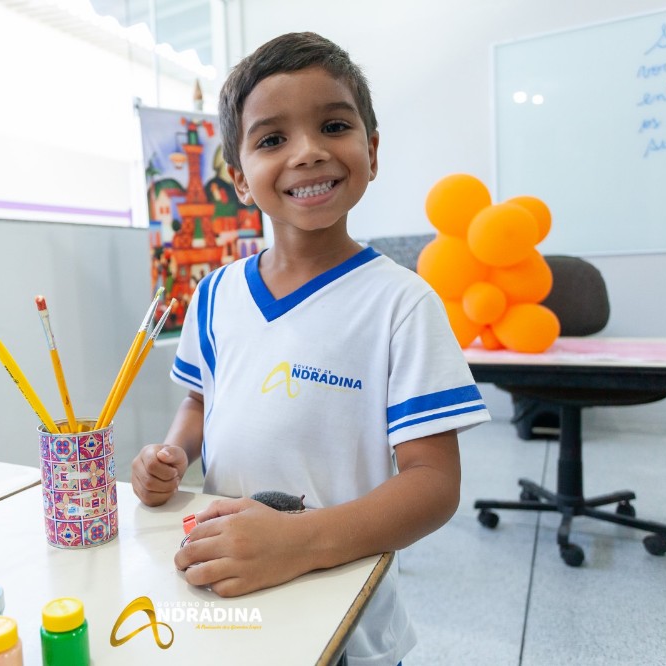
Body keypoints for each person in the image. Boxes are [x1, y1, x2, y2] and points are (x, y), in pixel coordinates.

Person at [130, 32, 490, 665]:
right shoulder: (214, 294)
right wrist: (170, 455)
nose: (308, 152)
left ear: (371, 152)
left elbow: (434, 484)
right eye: (272, 139)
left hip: (342, 612)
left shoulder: (401, 304)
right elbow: (198, 402)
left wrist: (299, 542)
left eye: (333, 125)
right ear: (239, 178)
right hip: (229, 591)